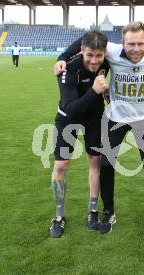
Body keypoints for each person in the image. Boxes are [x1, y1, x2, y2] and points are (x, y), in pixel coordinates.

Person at [54, 22, 144, 235]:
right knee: (105, 164)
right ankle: (108, 211)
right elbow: (85, 41)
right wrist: (62, 57)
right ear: (121, 43)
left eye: (140, 43)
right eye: (130, 44)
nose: (135, 48)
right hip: (116, 117)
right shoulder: (111, 52)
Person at [49, 31, 110, 238]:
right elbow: (72, 108)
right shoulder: (69, 69)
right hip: (69, 117)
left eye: (99, 56)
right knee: (61, 165)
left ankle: (93, 209)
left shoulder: (107, 59)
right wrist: (94, 91)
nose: (94, 61)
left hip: (94, 117)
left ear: (105, 53)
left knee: (96, 161)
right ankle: (59, 215)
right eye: (89, 55)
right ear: (83, 51)